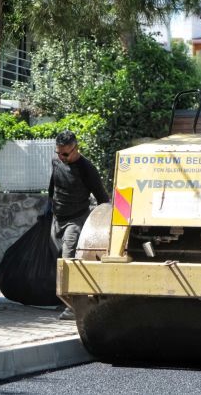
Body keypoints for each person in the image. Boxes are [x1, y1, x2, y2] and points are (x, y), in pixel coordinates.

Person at [48, 130, 110, 320]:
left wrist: (103, 224)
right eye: (58, 153)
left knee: (69, 260)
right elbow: (53, 186)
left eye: (65, 153)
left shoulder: (87, 169)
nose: (61, 157)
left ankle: (74, 307)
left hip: (76, 219)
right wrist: (47, 208)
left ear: (76, 149)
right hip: (57, 218)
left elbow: (102, 198)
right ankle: (63, 299)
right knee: (57, 258)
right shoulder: (57, 161)